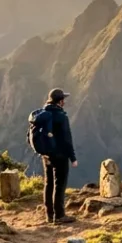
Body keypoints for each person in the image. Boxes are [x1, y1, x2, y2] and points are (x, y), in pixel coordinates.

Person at [41, 88, 78, 224]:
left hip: (46, 155)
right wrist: (73, 158)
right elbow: (67, 139)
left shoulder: (44, 114)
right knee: (60, 184)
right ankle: (60, 216)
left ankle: (49, 215)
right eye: (63, 99)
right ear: (60, 101)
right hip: (60, 155)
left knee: (49, 183)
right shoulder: (61, 117)